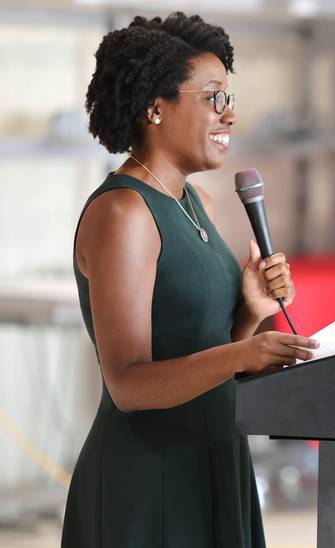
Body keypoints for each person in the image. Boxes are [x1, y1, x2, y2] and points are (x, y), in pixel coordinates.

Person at [61, 13, 318, 548]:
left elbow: (201, 353)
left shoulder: (190, 201)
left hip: (211, 455)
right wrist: (243, 355)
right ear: (155, 107)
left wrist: (248, 314)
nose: (230, 113)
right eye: (213, 97)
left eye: (229, 97)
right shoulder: (125, 212)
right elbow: (129, 384)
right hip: (151, 478)